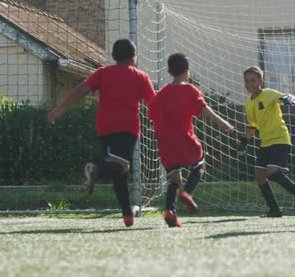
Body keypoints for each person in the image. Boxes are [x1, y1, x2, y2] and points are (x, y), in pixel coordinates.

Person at [48, 39, 155, 227]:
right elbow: (152, 105)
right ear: (134, 57)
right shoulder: (141, 76)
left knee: (119, 170)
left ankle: (127, 214)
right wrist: (158, 122)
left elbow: (80, 90)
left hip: (104, 128)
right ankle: (96, 171)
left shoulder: (102, 73)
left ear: (113, 57)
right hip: (127, 128)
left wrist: (60, 109)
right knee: (122, 167)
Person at [148, 53, 234, 227]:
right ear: (187, 71)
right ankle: (187, 194)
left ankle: (170, 211)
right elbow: (205, 111)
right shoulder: (190, 90)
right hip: (185, 140)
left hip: (166, 145)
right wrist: (223, 123)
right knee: (200, 164)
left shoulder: (161, 94)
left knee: (175, 179)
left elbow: (154, 119)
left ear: (169, 72)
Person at [238, 66, 295, 217]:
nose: (250, 84)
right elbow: (252, 125)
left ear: (261, 81)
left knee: (272, 172)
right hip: (265, 142)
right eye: (247, 81)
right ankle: (274, 209)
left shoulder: (268, 94)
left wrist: (289, 98)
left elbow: (283, 97)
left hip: (279, 139)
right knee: (259, 175)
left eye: (253, 81)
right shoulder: (249, 103)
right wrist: (244, 142)